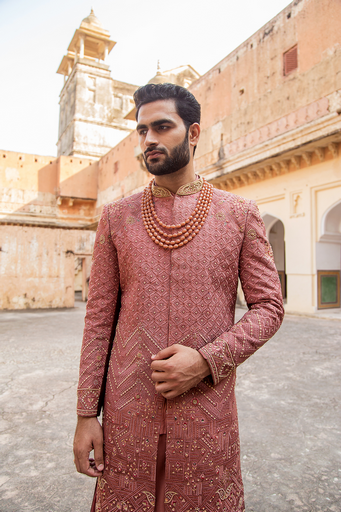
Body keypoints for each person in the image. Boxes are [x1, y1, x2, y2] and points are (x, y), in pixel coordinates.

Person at [73, 83, 284, 512]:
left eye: (162, 127)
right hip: (127, 412)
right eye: (142, 130)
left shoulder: (239, 214)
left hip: (206, 409)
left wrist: (206, 361)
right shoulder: (117, 217)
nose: (149, 139)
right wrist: (84, 414)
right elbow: (98, 318)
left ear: (193, 133)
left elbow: (269, 307)